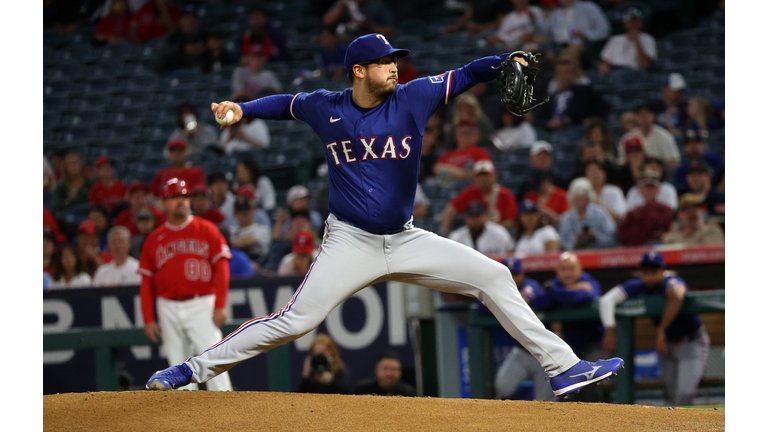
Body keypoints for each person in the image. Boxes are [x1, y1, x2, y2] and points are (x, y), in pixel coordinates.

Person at [147, 34, 624, 395]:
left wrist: (506, 61)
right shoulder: (325, 107)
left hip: (406, 238)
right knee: (295, 321)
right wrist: (242, 109)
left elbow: (468, 73)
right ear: (358, 71)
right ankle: (190, 369)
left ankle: (564, 368)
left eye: (396, 60)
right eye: (384, 62)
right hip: (349, 241)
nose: (395, 67)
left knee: (494, 277)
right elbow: (283, 104)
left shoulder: (414, 97)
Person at [140, 178, 233, 391]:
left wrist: (220, 305)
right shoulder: (154, 238)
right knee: (176, 364)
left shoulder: (207, 229)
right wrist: (148, 318)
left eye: (184, 196)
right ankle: (185, 411)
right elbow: (146, 282)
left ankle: (226, 405)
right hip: (167, 305)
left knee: (214, 359)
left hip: (202, 302)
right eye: (174, 197)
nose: (180, 201)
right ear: (164, 203)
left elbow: (222, 269)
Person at [599, 251, 710, 406]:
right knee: (670, 393)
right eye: (646, 273)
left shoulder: (670, 280)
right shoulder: (638, 285)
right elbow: (606, 300)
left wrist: (661, 329)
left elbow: (678, 293)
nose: (649, 277)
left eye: (654, 272)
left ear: (662, 271)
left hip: (691, 342)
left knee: (684, 393)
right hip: (668, 343)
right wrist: (610, 329)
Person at [538, 252, 609, 402]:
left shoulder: (589, 281)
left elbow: (580, 297)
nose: (568, 273)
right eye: (563, 269)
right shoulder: (555, 285)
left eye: (571, 269)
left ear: (580, 269)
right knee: (564, 387)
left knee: (590, 378)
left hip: (595, 344)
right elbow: (540, 302)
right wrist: (571, 289)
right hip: (570, 348)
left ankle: (597, 414)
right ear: (557, 271)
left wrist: (554, 292)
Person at [493, 257, 554, 401]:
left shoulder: (531, 285)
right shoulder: (496, 288)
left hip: (542, 352)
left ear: (523, 274)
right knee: (503, 387)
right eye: (510, 274)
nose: (514, 278)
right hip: (521, 351)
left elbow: (535, 297)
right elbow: (480, 306)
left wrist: (510, 298)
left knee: (544, 401)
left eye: (516, 274)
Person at [440, 160, 518, 235]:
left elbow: (511, 222)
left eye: (486, 175)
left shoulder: (505, 194)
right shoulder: (470, 192)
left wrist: (491, 228)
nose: (483, 179)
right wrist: (445, 230)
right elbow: (450, 209)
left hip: (499, 235)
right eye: (480, 176)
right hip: (474, 233)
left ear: (494, 176)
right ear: (475, 178)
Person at [533, 57, 610, 130]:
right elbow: (538, 117)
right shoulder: (549, 95)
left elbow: (603, 107)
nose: (563, 76)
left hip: (575, 130)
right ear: (555, 75)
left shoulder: (584, 91)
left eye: (566, 72)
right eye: (560, 72)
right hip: (550, 131)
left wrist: (590, 120)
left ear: (573, 74)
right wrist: (548, 123)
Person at [617, 170, 675, 246]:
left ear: (658, 189)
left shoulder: (665, 210)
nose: (648, 190)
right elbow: (623, 234)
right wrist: (647, 234)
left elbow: (657, 225)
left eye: (652, 187)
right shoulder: (633, 213)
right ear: (640, 189)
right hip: (637, 248)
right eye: (645, 187)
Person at [559, 178, 617, 251]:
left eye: (583, 197)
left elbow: (612, 235)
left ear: (589, 197)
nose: (581, 201)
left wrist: (596, 236)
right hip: (576, 254)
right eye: (578, 197)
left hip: (600, 252)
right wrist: (576, 241)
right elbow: (562, 243)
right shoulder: (566, 218)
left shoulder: (599, 213)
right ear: (572, 198)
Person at [616, 104, 680, 169]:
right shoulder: (627, 138)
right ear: (636, 117)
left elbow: (674, 161)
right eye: (640, 115)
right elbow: (622, 161)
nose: (644, 117)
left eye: (646, 114)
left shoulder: (665, 135)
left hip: (659, 171)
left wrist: (655, 166)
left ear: (653, 116)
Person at [598, 8, 657, 74]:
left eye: (636, 21)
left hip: (634, 72)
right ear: (625, 23)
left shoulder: (648, 39)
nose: (634, 23)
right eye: (631, 21)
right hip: (614, 70)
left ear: (641, 23)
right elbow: (605, 61)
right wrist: (604, 67)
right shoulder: (615, 39)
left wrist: (637, 41)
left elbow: (645, 64)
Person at [448, 201, 515, 256]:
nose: (475, 220)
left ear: (485, 216)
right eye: (472, 216)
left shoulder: (499, 232)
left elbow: (510, 253)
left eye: (478, 216)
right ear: (465, 218)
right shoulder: (456, 237)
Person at [673, 129, 725, 194]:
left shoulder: (714, 160)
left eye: (697, 142)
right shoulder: (682, 169)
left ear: (703, 145)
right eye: (689, 143)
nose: (693, 146)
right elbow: (681, 191)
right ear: (684, 147)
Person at [321, 0, 395, 44]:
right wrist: (340, 7)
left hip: (369, 40)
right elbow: (326, 22)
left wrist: (369, 26)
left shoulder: (377, 5)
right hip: (345, 41)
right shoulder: (345, 3)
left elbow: (390, 31)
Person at [156, 6, 206, 71]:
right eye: (187, 18)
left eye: (194, 18)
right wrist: (182, 49)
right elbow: (162, 51)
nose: (190, 22)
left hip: (200, 72)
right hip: (174, 72)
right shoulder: (173, 37)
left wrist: (204, 49)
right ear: (180, 21)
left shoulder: (204, 37)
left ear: (198, 21)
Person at [677, 161, 725, 230]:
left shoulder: (718, 198)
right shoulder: (685, 198)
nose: (694, 178)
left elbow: (723, 220)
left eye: (698, 174)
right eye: (691, 175)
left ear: (708, 176)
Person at [228, 190, 272, 262]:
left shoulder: (263, 230)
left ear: (253, 211)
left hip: (258, 263)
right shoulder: (231, 230)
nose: (244, 213)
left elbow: (249, 241)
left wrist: (231, 243)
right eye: (240, 211)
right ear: (235, 214)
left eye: (247, 210)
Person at [546, 0, 610, 49]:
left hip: (584, 44)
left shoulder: (589, 7)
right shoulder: (556, 13)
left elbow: (604, 30)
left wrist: (585, 34)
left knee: (572, 50)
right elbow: (549, 34)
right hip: (558, 45)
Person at [649, 73, 688, 138]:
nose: (678, 94)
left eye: (680, 91)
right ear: (665, 90)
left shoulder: (686, 108)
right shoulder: (655, 107)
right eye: (675, 91)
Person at [443, 0, 513, 35]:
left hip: (489, 32)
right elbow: (470, 12)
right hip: (472, 29)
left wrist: (479, 28)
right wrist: (456, 27)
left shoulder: (502, 2)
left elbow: (501, 23)